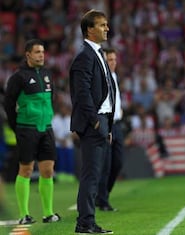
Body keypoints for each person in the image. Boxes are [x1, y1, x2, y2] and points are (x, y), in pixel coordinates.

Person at [3, 39, 61, 224]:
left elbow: (52, 99)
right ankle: (24, 215)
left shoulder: (47, 74)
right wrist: (17, 126)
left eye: (42, 52)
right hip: (26, 129)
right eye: (37, 52)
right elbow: (8, 104)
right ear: (28, 55)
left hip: (46, 128)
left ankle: (48, 213)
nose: (41, 55)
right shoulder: (18, 77)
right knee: (26, 170)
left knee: (48, 170)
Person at [69, 10, 115, 234]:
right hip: (93, 123)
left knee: (95, 175)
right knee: (91, 175)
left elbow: (104, 90)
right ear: (90, 29)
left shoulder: (97, 53)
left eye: (106, 25)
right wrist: (95, 121)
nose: (107, 28)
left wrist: (107, 124)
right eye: (102, 25)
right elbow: (82, 92)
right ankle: (85, 223)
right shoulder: (85, 56)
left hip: (103, 121)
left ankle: (88, 221)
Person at [96, 48, 124, 211]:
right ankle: (103, 200)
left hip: (117, 123)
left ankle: (103, 194)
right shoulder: (102, 78)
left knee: (118, 162)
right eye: (109, 60)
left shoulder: (114, 76)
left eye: (114, 59)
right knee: (105, 163)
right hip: (107, 123)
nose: (112, 63)